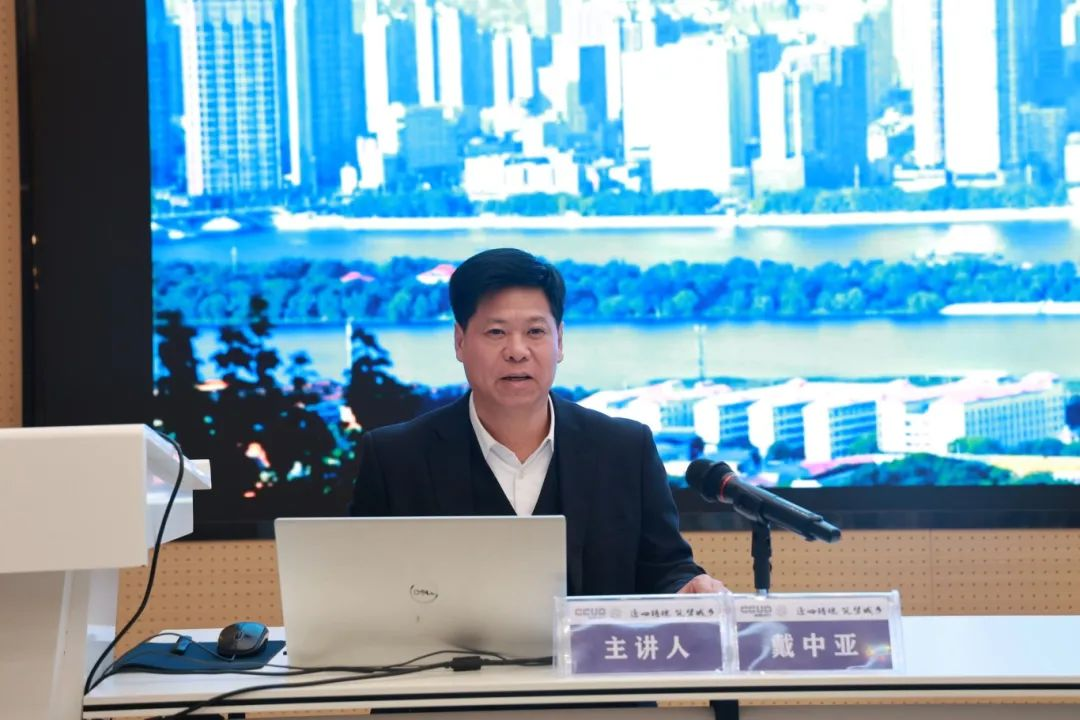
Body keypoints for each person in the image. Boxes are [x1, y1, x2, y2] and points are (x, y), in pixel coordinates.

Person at [348, 248, 725, 596]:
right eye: (496, 332)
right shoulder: (396, 459)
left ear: (559, 341)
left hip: (590, 651)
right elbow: (363, 586)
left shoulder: (625, 449)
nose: (517, 351)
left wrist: (687, 587)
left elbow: (665, 568)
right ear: (460, 341)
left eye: (535, 332)